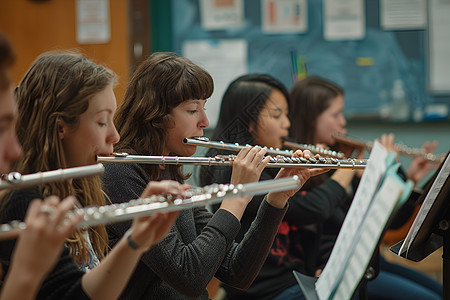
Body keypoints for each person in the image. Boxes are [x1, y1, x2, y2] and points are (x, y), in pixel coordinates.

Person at [101, 52, 326, 300]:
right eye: (192, 110)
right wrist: (236, 197)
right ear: (156, 115)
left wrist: (276, 199)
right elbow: (188, 277)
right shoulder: (121, 173)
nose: (205, 121)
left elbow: (237, 272)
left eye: (204, 108)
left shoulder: (168, 169)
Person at [0, 50, 181, 300]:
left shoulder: (80, 190)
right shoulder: (27, 203)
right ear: (60, 127)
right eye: (101, 122)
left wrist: (136, 239)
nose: (115, 136)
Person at [199, 74, 354, 300]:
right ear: (248, 122)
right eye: (276, 115)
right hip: (264, 290)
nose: (287, 124)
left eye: (287, 115)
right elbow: (311, 209)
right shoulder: (232, 171)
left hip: (294, 277)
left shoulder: (269, 161)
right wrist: (343, 169)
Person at [289, 75, 442, 300]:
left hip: (364, 263)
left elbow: (389, 224)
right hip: (334, 271)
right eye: (335, 114)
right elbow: (329, 226)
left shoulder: (342, 160)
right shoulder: (305, 170)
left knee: (439, 292)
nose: (343, 123)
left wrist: (409, 180)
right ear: (312, 118)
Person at [0, 32, 83, 300]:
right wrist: (25, 274)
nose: (15, 150)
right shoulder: (22, 199)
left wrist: (136, 242)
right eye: (1, 128)